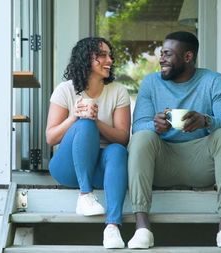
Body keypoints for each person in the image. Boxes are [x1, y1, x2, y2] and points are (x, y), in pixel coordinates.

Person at [127, 31, 221, 249]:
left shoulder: (213, 81)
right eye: (161, 53)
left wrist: (206, 120)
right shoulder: (150, 83)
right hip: (161, 163)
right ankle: (142, 227)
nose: (161, 58)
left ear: (188, 57)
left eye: (168, 54)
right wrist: (155, 125)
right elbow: (137, 127)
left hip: (202, 164)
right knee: (142, 138)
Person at [46, 37, 131, 249]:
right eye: (102, 55)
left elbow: (123, 137)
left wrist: (96, 121)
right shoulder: (65, 90)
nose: (109, 59)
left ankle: (112, 227)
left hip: (101, 169)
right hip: (69, 168)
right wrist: (74, 117)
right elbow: (51, 137)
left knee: (118, 151)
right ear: (85, 59)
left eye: (110, 55)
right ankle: (85, 195)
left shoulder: (118, 91)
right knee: (84, 125)